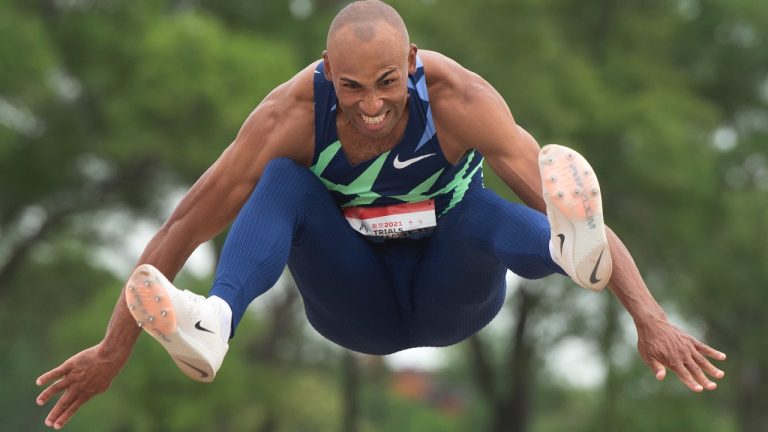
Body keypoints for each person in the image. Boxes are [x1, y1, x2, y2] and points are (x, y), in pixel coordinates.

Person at [35, 0, 726, 429]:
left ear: (413, 63)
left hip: (452, 290)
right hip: (354, 303)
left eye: (389, 83)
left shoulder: (458, 101)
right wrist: (114, 349)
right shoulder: (290, 115)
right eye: (352, 87)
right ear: (326, 73)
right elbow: (183, 224)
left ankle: (566, 253)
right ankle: (215, 322)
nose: (371, 105)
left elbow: (560, 194)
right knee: (283, 181)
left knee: (479, 210)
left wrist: (649, 317)